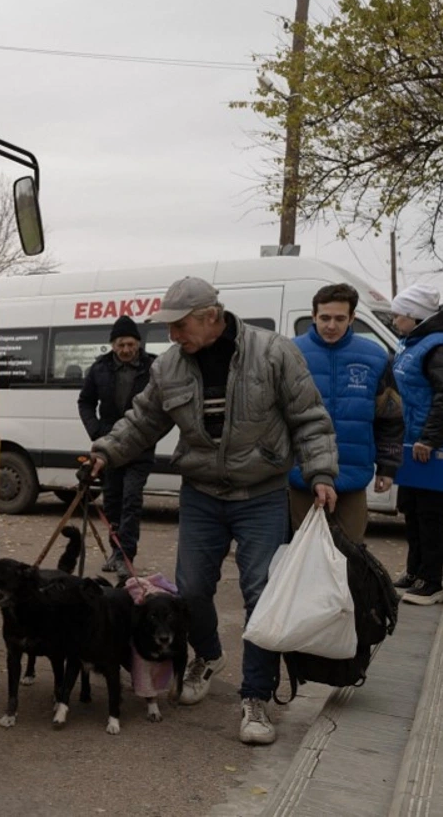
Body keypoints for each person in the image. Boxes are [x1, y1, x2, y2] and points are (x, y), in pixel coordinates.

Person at [88, 276, 338, 746]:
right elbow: (143, 421)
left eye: (179, 326)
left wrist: (321, 472)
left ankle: (256, 698)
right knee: (193, 590)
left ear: (210, 316)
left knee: (261, 593)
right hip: (201, 492)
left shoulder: (273, 353)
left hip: (261, 491)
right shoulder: (169, 368)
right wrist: (104, 451)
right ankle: (207, 653)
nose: (172, 336)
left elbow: (309, 416)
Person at [289, 283, 403, 542]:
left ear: (352, 318)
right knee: (304, 553)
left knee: (350, 553)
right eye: (325, 318)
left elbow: (390, 418)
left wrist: (388, 466)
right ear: (314, 315)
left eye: (340, 318)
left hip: (352, 473)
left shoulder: (375, 357)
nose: (331, 325)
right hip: (301, 473)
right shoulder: (290, 354)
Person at [389, 283, 443, 606]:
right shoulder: (414, 342)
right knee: (411, 508)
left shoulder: (441, 347)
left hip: (433, 446)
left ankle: (432, 581)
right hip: (414, 443)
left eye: (399, 315)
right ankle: (415, 571)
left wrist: (429, 439)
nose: (395, 320)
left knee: (431, 512)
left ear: (414, 317)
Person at [77, 315, 156, 579]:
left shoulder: (153, 367)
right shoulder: (99, 369)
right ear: (113, 345)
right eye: (120, 344)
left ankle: (126, 555)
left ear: (138, 344)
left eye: (130, 344)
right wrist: (97, 431)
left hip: (140, 446)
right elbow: (85, 402)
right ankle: (115, 550)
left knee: (131, 499)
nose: (125, 350)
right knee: (112, 501)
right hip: (109, 448)